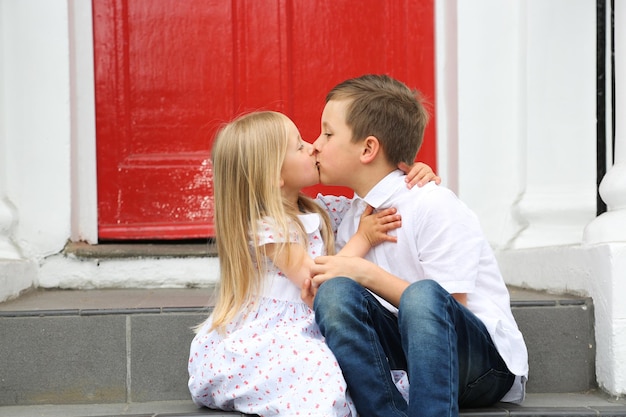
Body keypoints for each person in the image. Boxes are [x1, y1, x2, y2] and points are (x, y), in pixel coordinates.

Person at [303, 74, 529, 417]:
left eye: (328, 134)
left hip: (478, 365)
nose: (316, 144)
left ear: (368, 149)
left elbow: (450, 311)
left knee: (423, 295)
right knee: (334, 292)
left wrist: (366, 274)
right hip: (409, 359)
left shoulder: (431, 204)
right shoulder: (352, 216)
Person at [187, 110, 438, 417]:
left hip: (312, 328)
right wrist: (363, 238)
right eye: (299, 145)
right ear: (274, 175)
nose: (313, 147)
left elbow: (373, 201)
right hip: (277, 335)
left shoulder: (317, 209)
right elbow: (314, 280)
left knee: (355, 369)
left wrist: (406, 176)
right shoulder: (266, 228)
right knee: (316, 374)